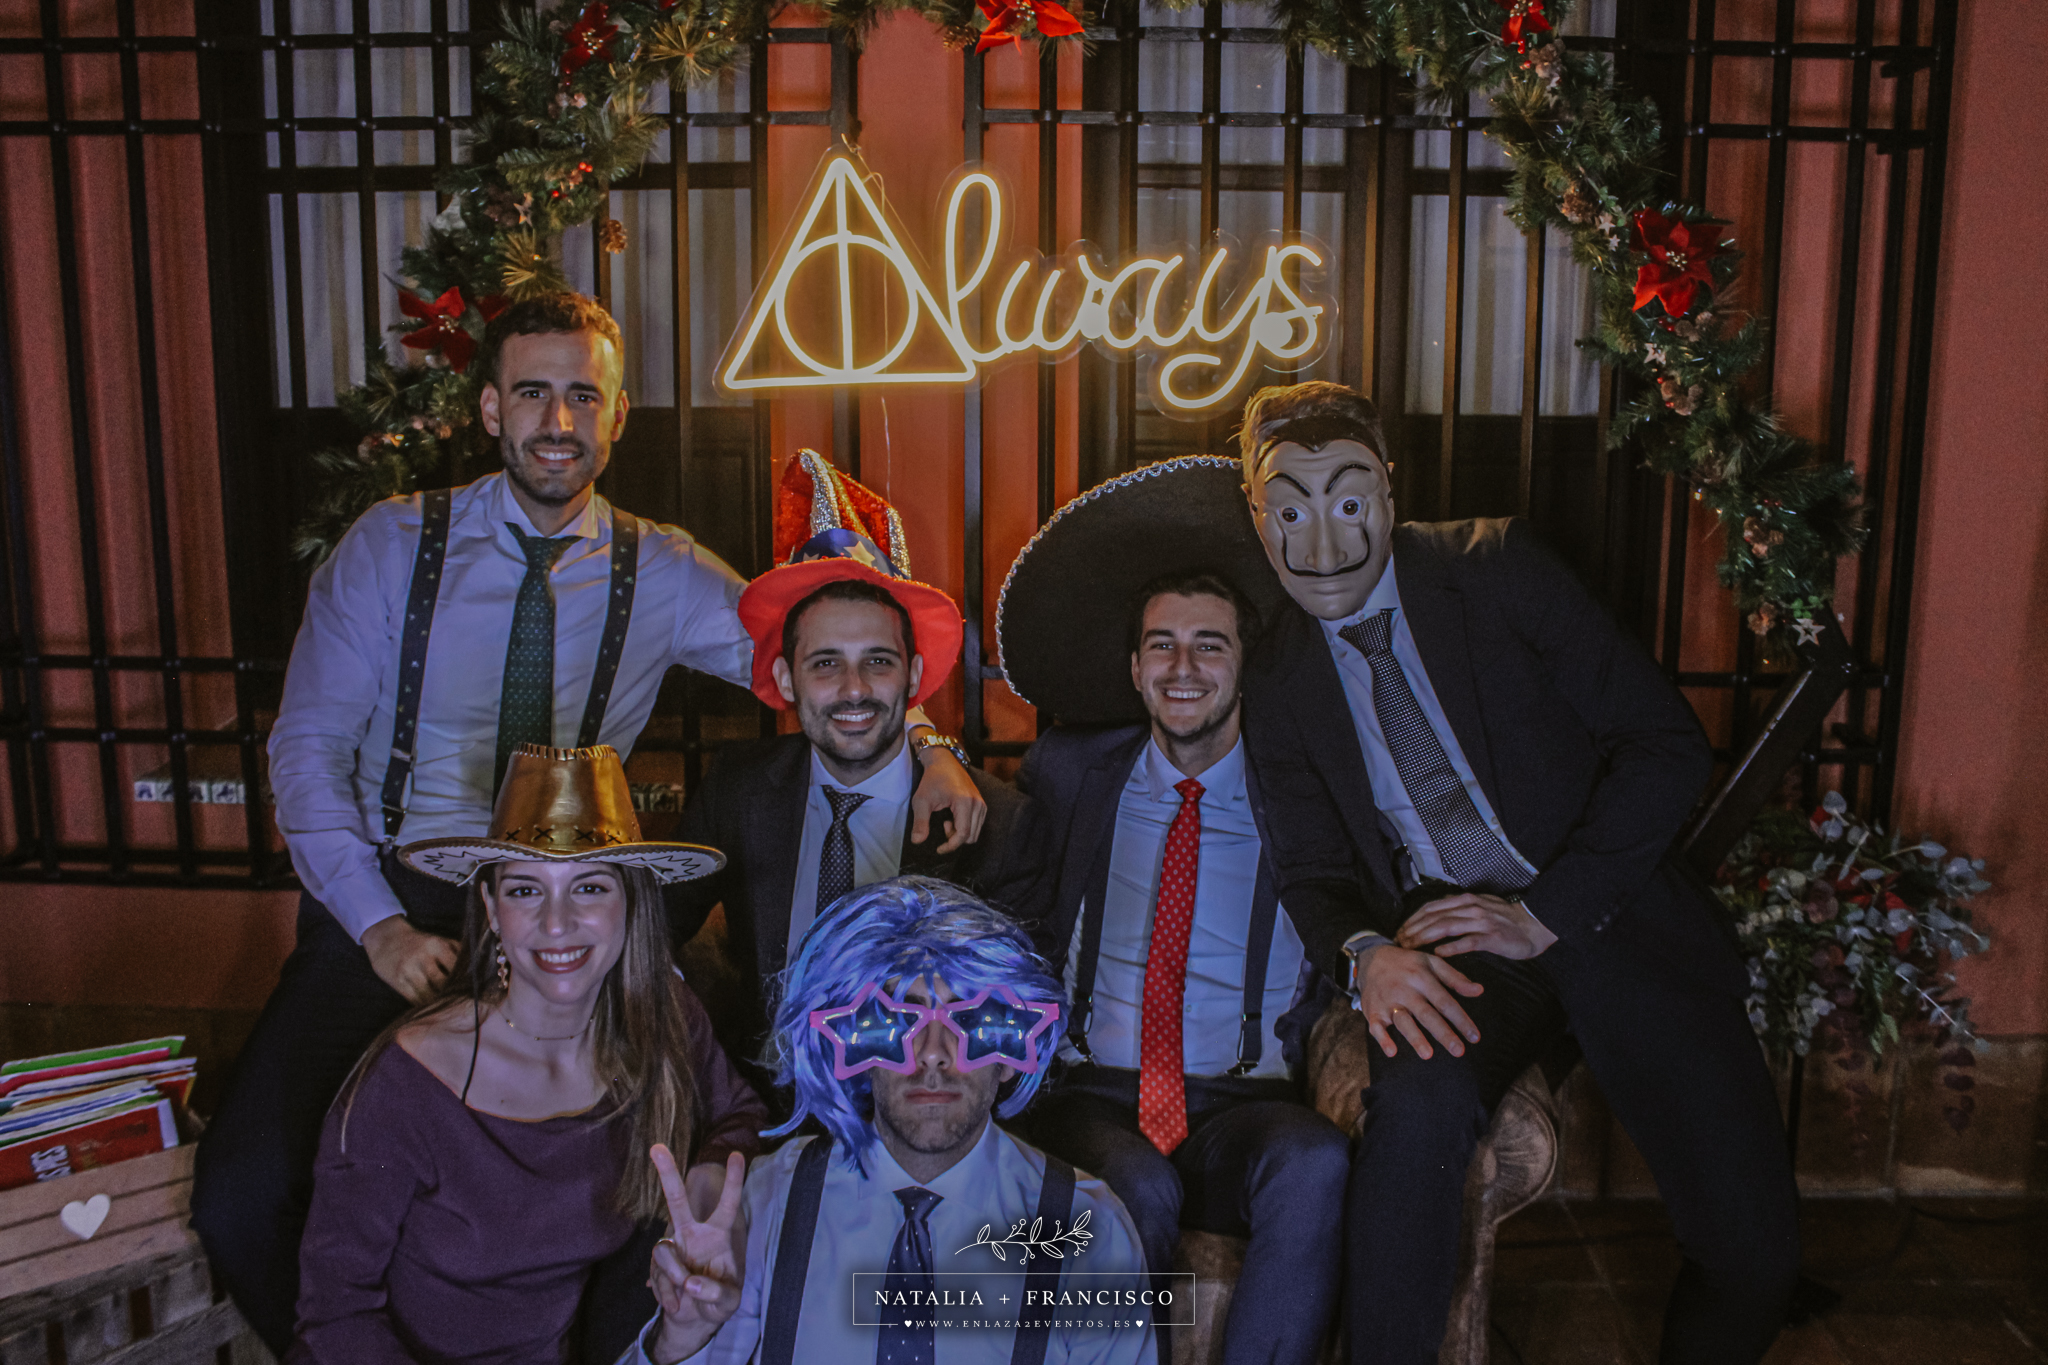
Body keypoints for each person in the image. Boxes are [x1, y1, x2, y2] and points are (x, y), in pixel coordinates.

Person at [193, 291, 985, 1357]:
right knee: (243, 1194)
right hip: (398, 898)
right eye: (533, 394)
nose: (557, 422)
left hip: (576, 901)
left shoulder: (661, 566)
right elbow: (306, 750)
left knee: (625, 1174)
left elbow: (817, 661)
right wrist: (377, 928)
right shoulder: (391, 547)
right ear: (490, 409)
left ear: (616, 417)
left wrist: (931, 737)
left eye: (582, 396)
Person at [1231, 381, 1800, 1363]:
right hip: (1455, 933)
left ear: (1389, 489)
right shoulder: (1276, 672)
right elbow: (1312, 869)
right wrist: (1366, 955)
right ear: (1256, 511)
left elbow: (1663, 745)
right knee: (1416, 1108)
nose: (1322, 538)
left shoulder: (1497, 568)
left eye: (1348, 498)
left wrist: (1544, 912)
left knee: (1753, 1250)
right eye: (1289, 508)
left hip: (1601, 905)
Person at [997, 461, 1365, 1364]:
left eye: (1210, 645)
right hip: (1092, 1091)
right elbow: (1008, 902)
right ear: (1135, 667)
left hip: (1244, 1098)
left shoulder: (1302, 789)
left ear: (1244, 665)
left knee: (1315, 1160)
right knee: (1135, 1185)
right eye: (1162, 645)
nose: (1184, 667)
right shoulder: (1070, 772)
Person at [287, 742, 767, 1364]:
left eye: (589, 887)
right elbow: (335, 1317)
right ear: (490, 910)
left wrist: (704, 1190)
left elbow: (740, 1113)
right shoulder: (404, 1086)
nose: (557, 923)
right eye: (524, 891)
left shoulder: (662, 1019)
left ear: (631, 904)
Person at [622, 876, 1156, 1365]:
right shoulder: (768, 1204)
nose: (933, 1053)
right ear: (854, 1045)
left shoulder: (1092, 1232)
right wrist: (680, 1340)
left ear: (1011, 1052)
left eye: (971, 1019)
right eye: (899, 1020)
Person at [672, 451, 1046, 1085]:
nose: (853, 688)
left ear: (914, 677)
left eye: (877, 661)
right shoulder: (738, 789)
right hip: (766, 1099)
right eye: (825, 664)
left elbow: (1016, 1017)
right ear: (785, 679)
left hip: (918, 1107)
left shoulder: (1000, 824)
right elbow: (655, 924)